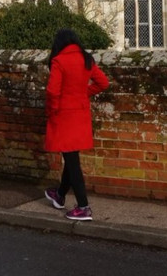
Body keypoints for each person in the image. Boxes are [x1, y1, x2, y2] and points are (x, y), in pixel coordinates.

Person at [43, 28, 109, 221]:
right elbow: (103, 83)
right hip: (80, 114)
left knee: (72, 161)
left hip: (64, 115)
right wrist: (82, 94)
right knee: (70, 156)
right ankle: (60, 195)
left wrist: (52, 111)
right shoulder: (86, 59)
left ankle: (83, 206)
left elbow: (53, 91)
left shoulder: (59, 61)